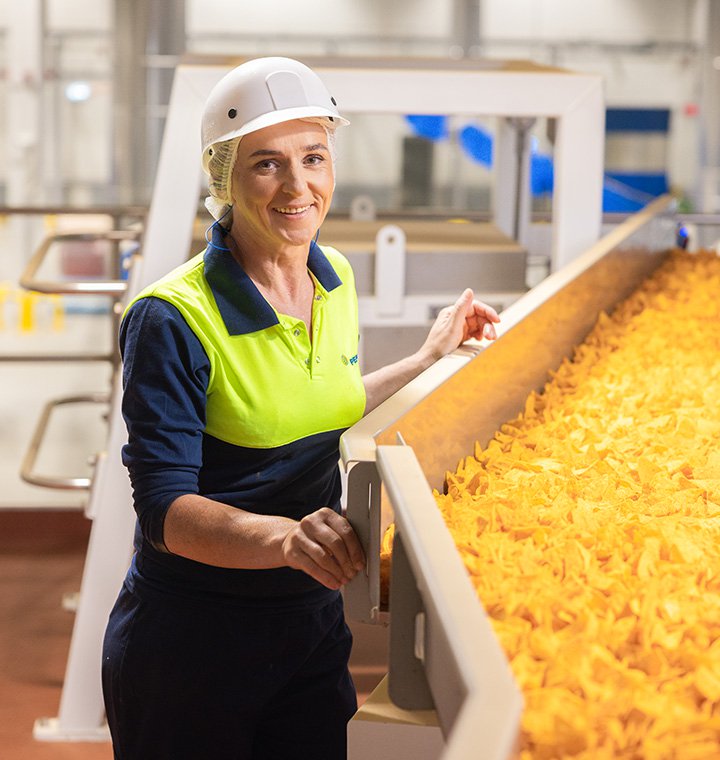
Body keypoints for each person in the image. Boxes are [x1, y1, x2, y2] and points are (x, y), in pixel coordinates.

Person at [102, 56, 500, 760]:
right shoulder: (172, 318)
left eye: (313, 157)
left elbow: (323, 408)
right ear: (224, 179)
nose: (297, 186)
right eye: (266, 164)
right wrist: (287, 539)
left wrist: (426, 361)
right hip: (194, 644)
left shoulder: (333, 274)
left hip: (310, 624)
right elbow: (166, 512)